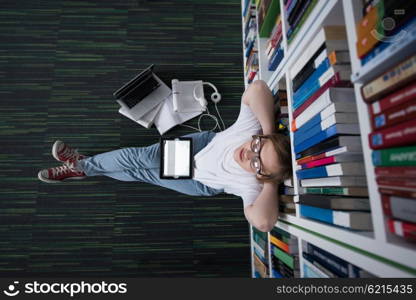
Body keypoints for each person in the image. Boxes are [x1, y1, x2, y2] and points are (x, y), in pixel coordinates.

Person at [38, 80, 292, 232]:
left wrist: (268, 182)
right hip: (200, 146)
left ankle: (81, 167)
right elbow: (257, 88)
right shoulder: (253, 130)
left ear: (263, 175)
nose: (248, 153)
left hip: (198, 183)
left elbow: (263, 223)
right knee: (138, 158)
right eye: (257, 146)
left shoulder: (254, 185)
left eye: (256, 163)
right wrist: (268, 133)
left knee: (140, 173)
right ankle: (83, 165)